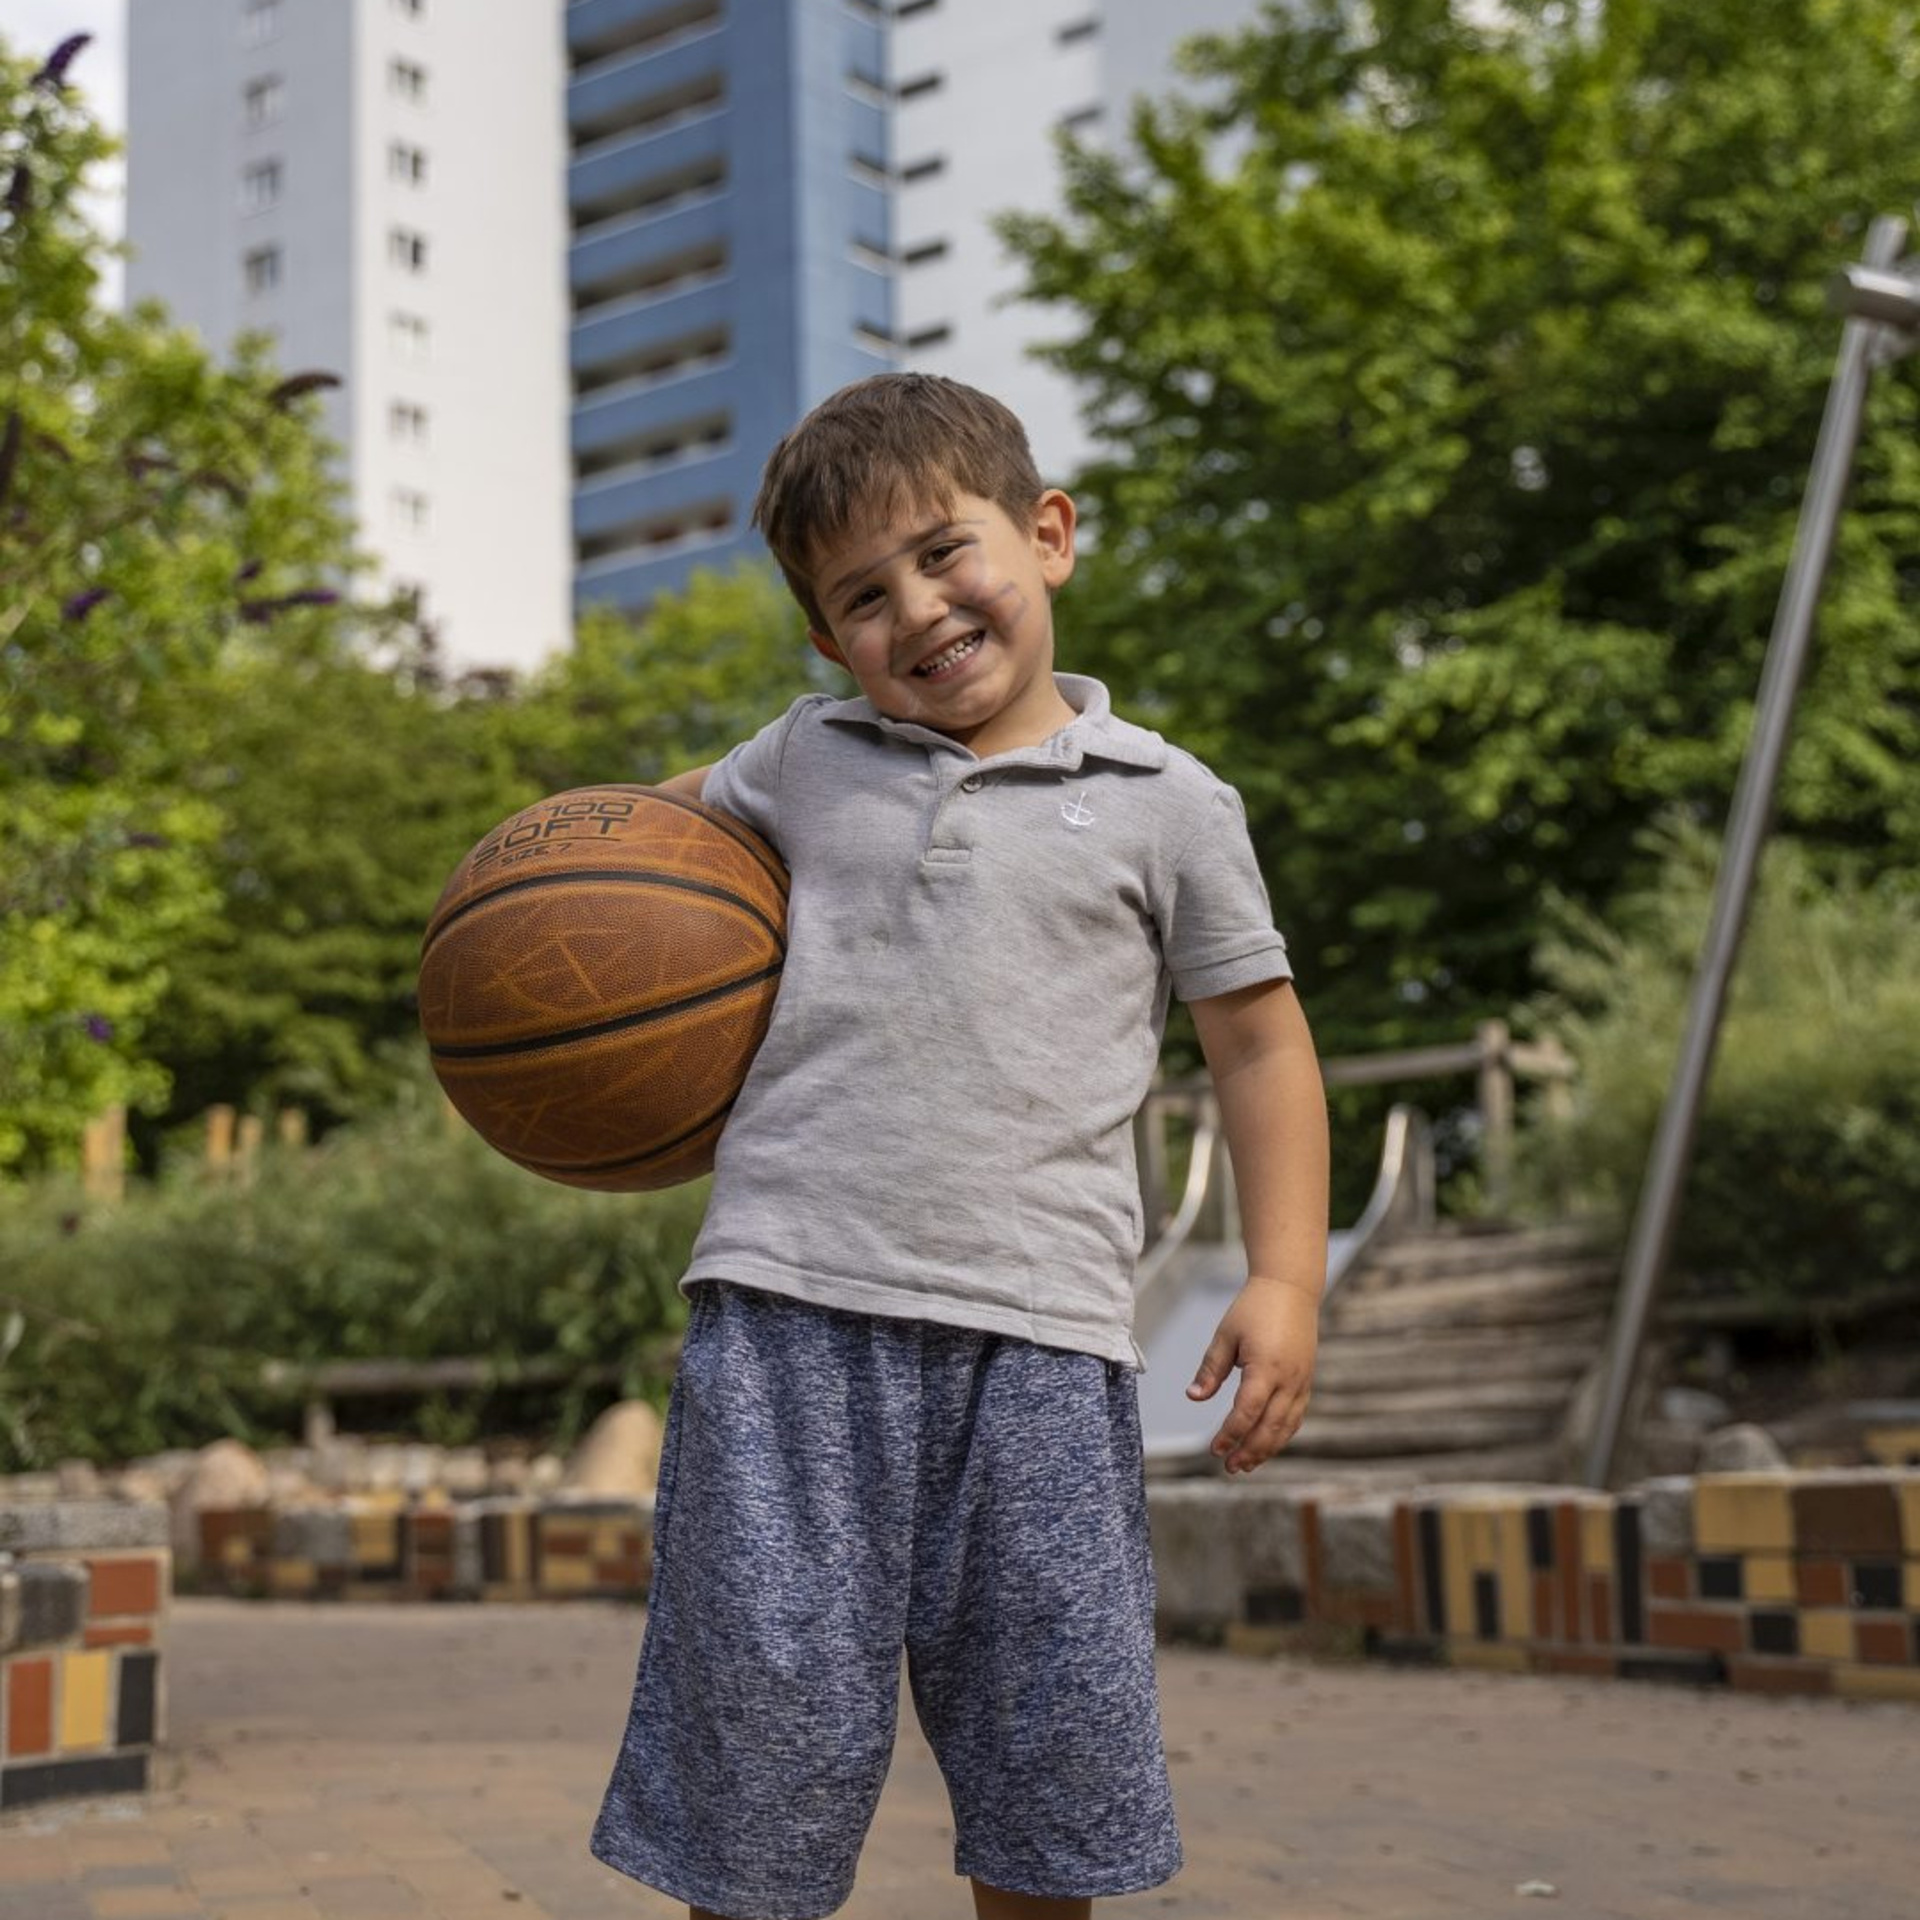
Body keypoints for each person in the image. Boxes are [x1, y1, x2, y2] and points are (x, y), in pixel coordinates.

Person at [591, 373, 1330, 1920]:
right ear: (823, 640)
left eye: (946, 552)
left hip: (1044, 1347)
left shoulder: (1173, 806)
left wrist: (1285, 1278)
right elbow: (625, 861)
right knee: (760, 1745)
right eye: (862, 596)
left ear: (1048, 536)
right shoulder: (803, 758)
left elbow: (1258, 1040)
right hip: (789, 1318)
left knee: (1050, 1762)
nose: (918, 609)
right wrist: (515, 898)